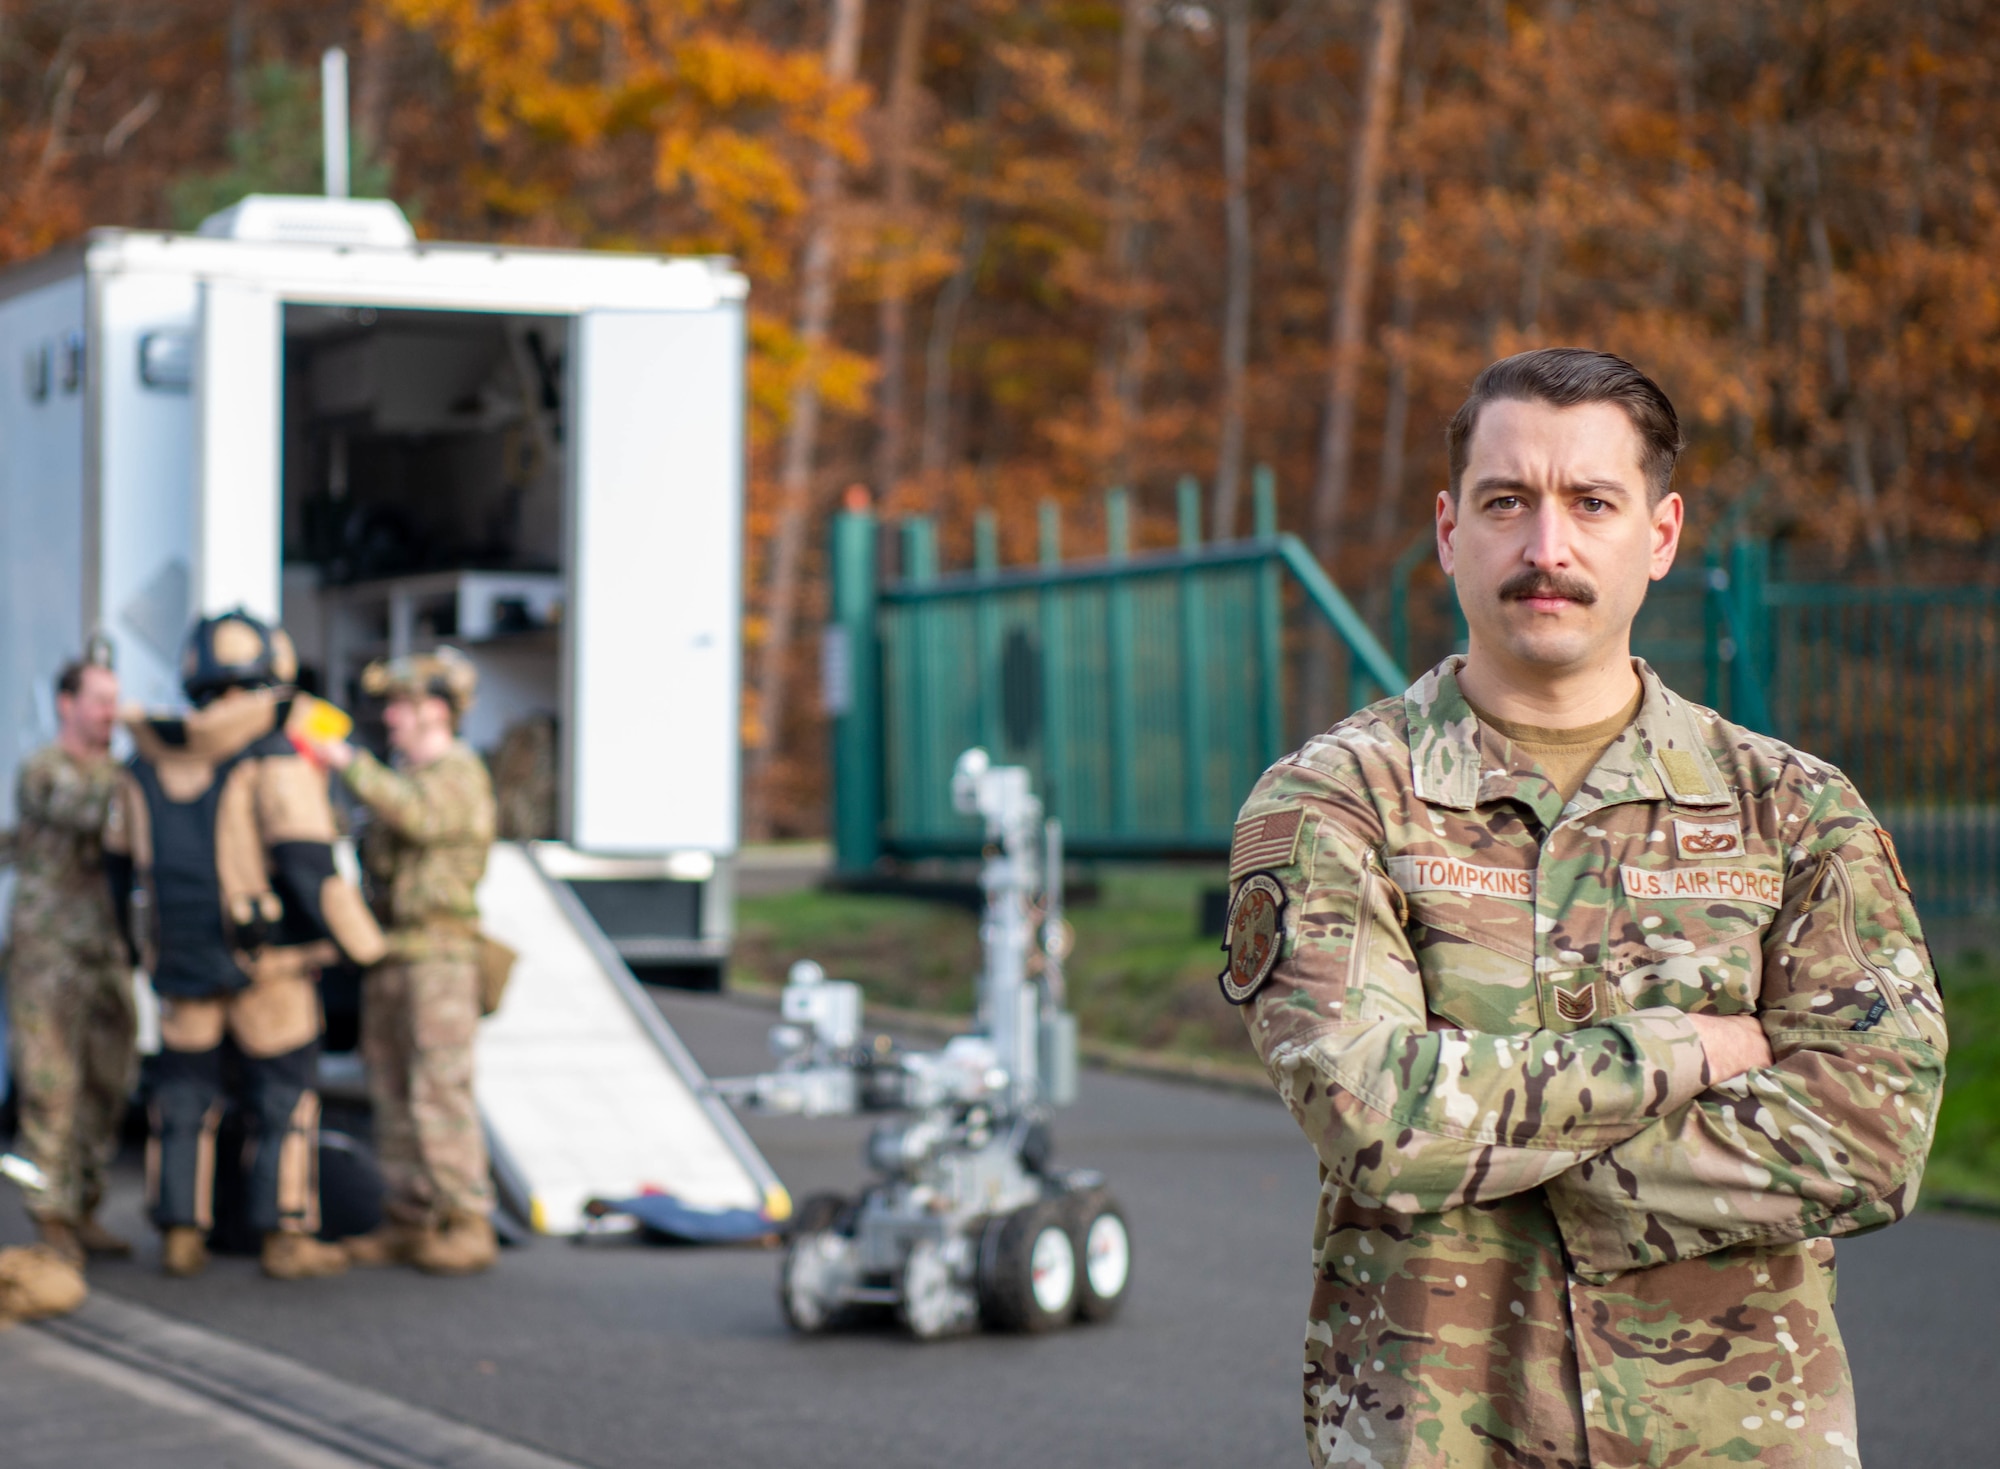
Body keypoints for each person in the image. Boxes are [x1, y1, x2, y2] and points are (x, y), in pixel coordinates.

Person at [1223, 348, 1947, 1467]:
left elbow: (1874, 1132)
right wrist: (1685, 1048)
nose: (1544, 547)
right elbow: (1374, 1114)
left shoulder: (1791, 809)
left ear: (1657, 534)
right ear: (1447, 529)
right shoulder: (1336, 798)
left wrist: (1493, 1150)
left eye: (1589, 502)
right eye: (1504, 500)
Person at [104, 610, 385, 1280]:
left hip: (178, 964)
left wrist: (134, 953)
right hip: (270, 968)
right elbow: (310, 868)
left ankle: (180, 1234)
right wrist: (370, 951)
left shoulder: (143, 757)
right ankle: (284, 1237)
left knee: (181, 1098)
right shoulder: (272, 754)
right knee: (284, 1097)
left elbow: (117, 875)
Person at [307, 648, 499, 1275]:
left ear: (435, 711)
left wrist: (349, 765)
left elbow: (420, 820)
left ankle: (467, 1218)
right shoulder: (404, 777)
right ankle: (407, 1216)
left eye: (401, 706)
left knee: (439, 1089)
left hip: (440, 956)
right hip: (393, 952)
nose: (390, 718)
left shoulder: (457, 773)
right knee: (389, 1089)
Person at [3, 652, 137, 1267]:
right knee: (49, 1087)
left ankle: (83, 1206)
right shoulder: (44, 771)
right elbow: (85, 814)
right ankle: (48, 1215)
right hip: (46, 952)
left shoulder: (123, 776)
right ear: (67, 704)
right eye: (99, 699)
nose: (112, 711)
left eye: (115, 698)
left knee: (107, 1081)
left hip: (104, 949)